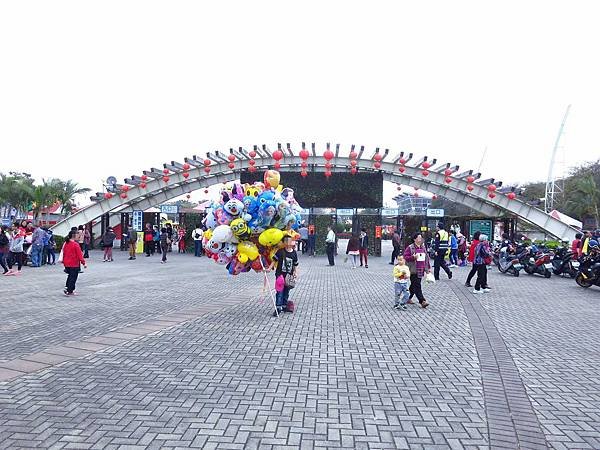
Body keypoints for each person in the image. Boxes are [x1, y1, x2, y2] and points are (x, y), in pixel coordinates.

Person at [269, 235, 299, 316]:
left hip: (289, 276)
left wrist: (295, 272)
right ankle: (278, 308)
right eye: (289, 241)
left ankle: (284, 306)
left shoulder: (294, 253)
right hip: (280, 275)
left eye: (291, 241)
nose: (291, 242)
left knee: (286, 291)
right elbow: (274, 261)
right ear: (285, 243)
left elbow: (295, 264)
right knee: (279, 291)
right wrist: (269, 269)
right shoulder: (280, 251)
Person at [403, 233, 431, 308]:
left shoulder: (423, 247)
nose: (420, 239)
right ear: (415, 239)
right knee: (417, 285)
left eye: (421, 238)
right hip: (413, 269)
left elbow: (426, 258)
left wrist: (427, 268)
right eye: (419, 238)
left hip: (421, 269)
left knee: (413, 285)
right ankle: (422, 301)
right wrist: (413, 257)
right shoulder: (410, 247)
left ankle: (408, 298)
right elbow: (405, 257)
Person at [62, 230, 87, 296]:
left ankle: (67, 287)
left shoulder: (66, 243)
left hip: (67, 263)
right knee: (73, 277)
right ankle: (70, 291)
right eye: (77, 235)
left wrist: (63, 262)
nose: (78, 236)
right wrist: (84, 263)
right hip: (74, 263)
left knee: (70, 276)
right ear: (74, 235)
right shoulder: (75, 244)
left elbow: (64, 253)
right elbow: (80, 255)